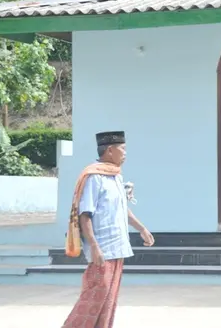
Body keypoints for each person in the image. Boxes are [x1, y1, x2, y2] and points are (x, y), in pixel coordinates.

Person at [61, 131, 154, 328]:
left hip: (117, 246)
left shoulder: (116, 177)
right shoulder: (94, 176)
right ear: (110, 151)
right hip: (102, 249)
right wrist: (94, 246)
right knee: (94, 296)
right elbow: (85, 214)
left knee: (109, 300)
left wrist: (142, 228)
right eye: (123, 149)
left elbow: (122, 209)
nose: (125, 153)